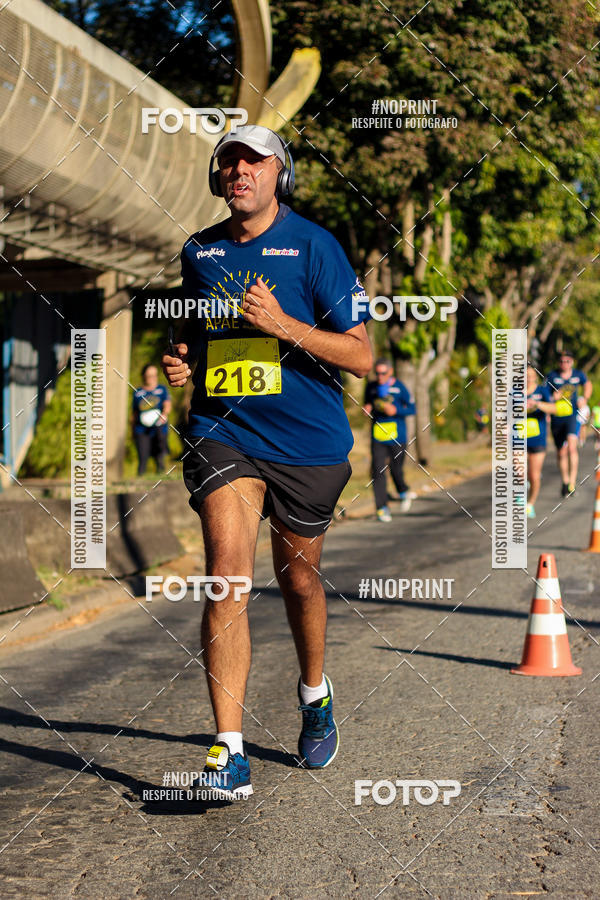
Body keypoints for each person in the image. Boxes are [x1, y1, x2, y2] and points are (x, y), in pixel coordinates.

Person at [161, 125, 373, 799]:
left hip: (308, 444)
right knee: (227, 574)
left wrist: (285, 326)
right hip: (225, 431)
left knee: (300, 582)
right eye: (229, 160)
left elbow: (363, 356)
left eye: (253, 159)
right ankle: (229, 751)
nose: (239, 170)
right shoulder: (200, 249)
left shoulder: (316, 247)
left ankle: (315, 692)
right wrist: (178, 359)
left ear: (279, 172)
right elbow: (193, 329)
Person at [363, 359, 416, 522]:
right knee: (378, 471)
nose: (380, 377)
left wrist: (396, 410)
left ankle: (403, 490)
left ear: (391, 372)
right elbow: (367, 403)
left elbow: (413, 408)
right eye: (377, 373)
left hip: (397, 437)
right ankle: (382, 508)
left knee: (396, 470)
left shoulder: (399, 387)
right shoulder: (371, 387)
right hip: (378, 436)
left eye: (383, 373)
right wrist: (367, 408)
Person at [545, 350, 592, 496]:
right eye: (561, 361)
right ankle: (565, 482)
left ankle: (572, 483)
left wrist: (585, 398)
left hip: (572, 416)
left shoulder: (578, 375)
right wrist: (553, 398)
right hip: (557, 417)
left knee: (572, 447)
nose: (564, 364)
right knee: (561, 452)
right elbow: (545, 395)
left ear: (571, 362)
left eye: (567, 361)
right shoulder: (552, 376)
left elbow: (588, 385)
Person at [523, 365, 556, 519]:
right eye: (525, 375)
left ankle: (530, 504)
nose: (528, 378)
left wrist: (537, 404)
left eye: (531, 375)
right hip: (519, 438)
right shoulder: (515, 392)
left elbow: (553, 408)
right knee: (519, 471)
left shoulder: (542, 391)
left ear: (535, 376)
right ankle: (521, 488)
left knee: (534, 476)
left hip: (538, 438)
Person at [132, 364, 171, 475]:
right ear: (144, 376)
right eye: (149, 375)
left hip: (158, 428)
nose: (152, 378)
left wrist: (164, 414)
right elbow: (134, 413)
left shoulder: (162, 389)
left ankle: (161, 476)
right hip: (141, 430)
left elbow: (167, 404)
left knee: (159, 455)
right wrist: (132, 430)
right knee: (143, 457)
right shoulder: (138, 392)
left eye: (154, 375)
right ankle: (140, 480)